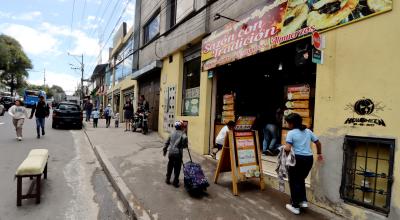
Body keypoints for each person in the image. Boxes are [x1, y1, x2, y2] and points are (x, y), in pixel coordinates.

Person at [283, 113, 323, 215]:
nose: (287, 125)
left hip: (297, 159)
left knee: (294, 182)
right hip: (308, 159)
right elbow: (318, 143)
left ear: (291, 123)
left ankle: (295, 206)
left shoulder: (291, 133)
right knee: (300, 179)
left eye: (287, 123)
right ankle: (303, 201)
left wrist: (283, 150)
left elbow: (287, 148)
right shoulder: (308, 131)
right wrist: (319, 153)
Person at [163, 121, 188, 188]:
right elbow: (185, 145)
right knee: (177, 168)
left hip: (171, 153)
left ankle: (167, 179)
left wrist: (164, 150)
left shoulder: (171, 133)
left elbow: (166, 143)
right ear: (181, 127)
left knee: (170, 166)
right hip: (178, 154)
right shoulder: (183, 134)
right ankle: (175, 182)